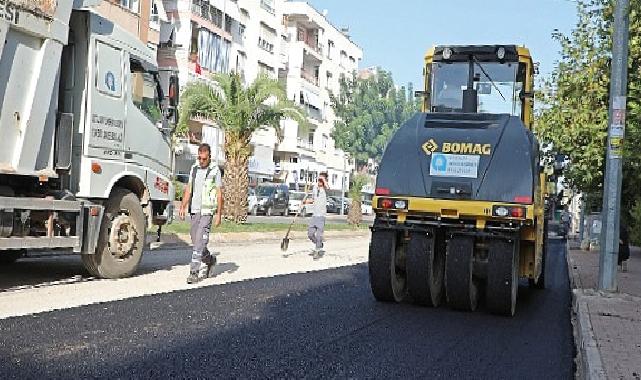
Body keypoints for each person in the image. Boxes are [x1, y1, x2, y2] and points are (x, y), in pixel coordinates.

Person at [179, 143, 223, 284]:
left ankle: (194, 272)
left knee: (199, 242)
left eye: (204, 159)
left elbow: (219, 194)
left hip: (207, 212)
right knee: (195, 240)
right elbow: (189, 189)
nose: (201, 161)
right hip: (195, 210)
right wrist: (183, 206)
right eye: (199, 158)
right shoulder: (194, 169)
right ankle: (210, 260)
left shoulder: (215, 170)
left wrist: (218, 215)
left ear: (209, 157)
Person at [307, 173, 328, 258]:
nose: (319, 181)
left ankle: (317, 250)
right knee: (310, 234)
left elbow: (327, 186)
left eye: (321, 180)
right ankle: (319, 244)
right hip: (314, 215)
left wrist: (323, 179)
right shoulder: (315, 188)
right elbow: (313, 199)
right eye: (318, 180)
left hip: (321, 216)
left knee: (319, 235)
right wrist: (305, 202)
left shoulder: (325, 189)